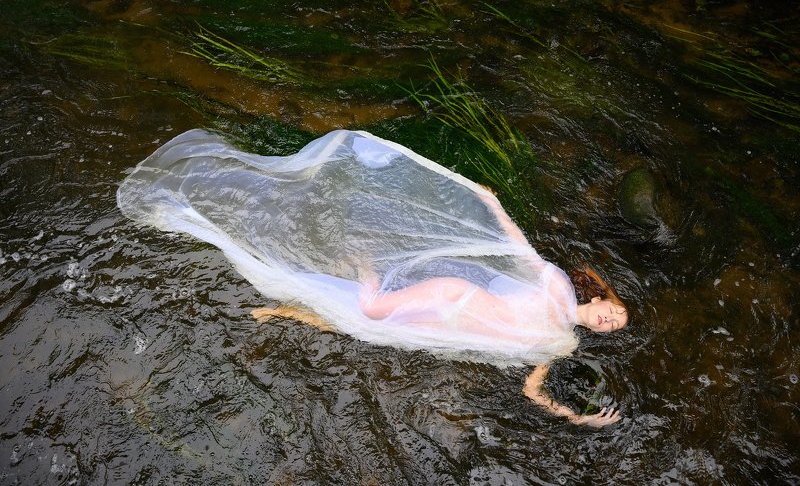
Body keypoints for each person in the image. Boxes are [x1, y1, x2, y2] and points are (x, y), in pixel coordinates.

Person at [118, 128, 629, 428]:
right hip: (454, 296)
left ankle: (285, 311)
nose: (607, 321)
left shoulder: (561, 344)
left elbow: (531, 392)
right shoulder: (557, 284)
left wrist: (578, 417)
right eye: (614, 312)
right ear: (606, 298)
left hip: (450, 330)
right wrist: (491, 204)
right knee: (370, 309)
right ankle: (365, 270)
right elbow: (518, 248)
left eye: (611, 327)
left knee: (361, 327)